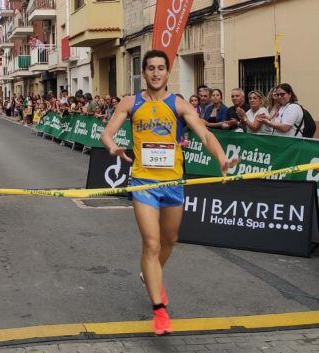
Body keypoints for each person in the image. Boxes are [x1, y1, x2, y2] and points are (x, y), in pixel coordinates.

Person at [99, 50, 236, 336]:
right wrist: (112, 146)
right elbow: (106, 133)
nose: (156, 73)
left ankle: (150, 274)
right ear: (144, 72)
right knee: (151, 244)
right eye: (151, 68)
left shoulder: (179, 104)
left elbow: (206, 135)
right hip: (143, 182)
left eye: (161, 68)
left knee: (169, 240)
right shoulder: (130, 102)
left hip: (173, 182)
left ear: (167, 72)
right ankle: (159, 309)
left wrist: (221, 158)